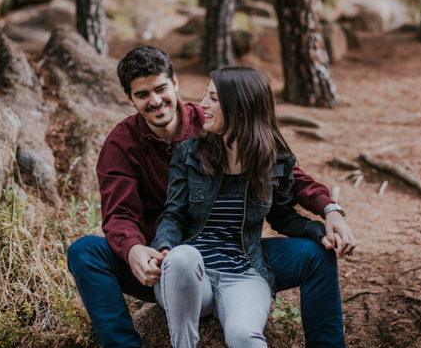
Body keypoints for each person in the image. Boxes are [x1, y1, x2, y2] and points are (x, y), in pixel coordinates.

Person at [67, 46, 355, 348]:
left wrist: (329, 209)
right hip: (161, 258)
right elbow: (120, 214)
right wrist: (133, 249)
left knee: (318, 254)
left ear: (175, 83)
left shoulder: (209, 122)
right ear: (129, 98)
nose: (154, 101)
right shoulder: (122, 144)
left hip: (238, 249)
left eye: (161, 88)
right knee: (85, 251)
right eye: (142, 95)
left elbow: (282, 174)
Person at [151, 66, 332, 348]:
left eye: (213, 98)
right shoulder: (189, 153)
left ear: (241, 109)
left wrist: (318, 229)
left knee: (245, 337)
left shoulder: (275, 161)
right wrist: (164, 247)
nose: (202, 105)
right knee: (183, 256)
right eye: (205, 96)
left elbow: (283, 217)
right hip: (190, 275)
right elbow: (173, 215)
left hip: (243, 276)